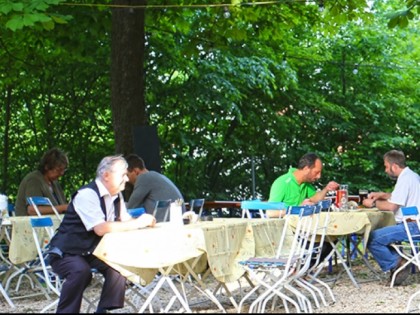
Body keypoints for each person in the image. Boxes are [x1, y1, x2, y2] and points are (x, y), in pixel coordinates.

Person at [48, 155, 156, 313]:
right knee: (80, 271)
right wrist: (138, 223)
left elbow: (125, 220)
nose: (126, 179)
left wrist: (145, 223)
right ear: (106, 175)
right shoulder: (87, 194)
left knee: (119, 267)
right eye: (123, 174)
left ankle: (104, 310)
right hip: (66, 252)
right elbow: (100, 228)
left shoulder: (116, 196)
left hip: (92, 252)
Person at [364, 149, 420, 286]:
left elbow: (391, 206)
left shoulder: (405, 179)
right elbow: (397, 197)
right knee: (382, 235)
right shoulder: (411, 176)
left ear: (394, 166)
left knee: (372, 238)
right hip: (413, 223)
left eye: (386, 166)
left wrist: (372, 204)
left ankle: (398, 264)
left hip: (412, 226)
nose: (385, 170)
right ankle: (399, 262)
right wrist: (381, 194)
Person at [267, 152, 339, 217]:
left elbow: (315, 199)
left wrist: (326, 189)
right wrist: (298, 209)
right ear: (306, 169)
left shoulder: (306, 183)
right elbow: (270, 213)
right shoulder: (282, 183)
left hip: (300, 228)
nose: (319, 176)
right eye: (316, 172)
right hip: (284, 229)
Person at [125, 154, 186, 222]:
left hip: (166, 223)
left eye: (127, 175)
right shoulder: (155, 176)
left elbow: (130, 207)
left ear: (135, 171)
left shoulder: (144, 178)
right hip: (178, 219)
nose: (126, 179)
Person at [15, 148, 69, 216]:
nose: (61, 173)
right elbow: (32, 210)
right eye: (58, 170)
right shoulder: (34, 180)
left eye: (63, 170)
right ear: (47, 167)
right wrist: (62, 208)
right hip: (31, 224)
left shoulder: (55, 183)